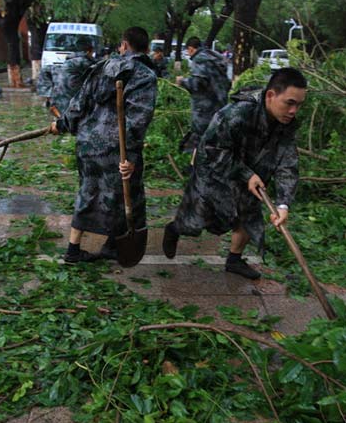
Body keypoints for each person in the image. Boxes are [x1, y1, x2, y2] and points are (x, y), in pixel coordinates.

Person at [162, 68, 308, 280]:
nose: (294, 110)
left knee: (249, 215)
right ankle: (175, 229)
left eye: (299, 105)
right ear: (270, 95)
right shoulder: (236, 113)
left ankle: (234, 260)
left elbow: (288, 164)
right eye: (290, 103)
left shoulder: (286, 124)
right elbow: (212, 150)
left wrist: (283, 204)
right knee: (197, 220)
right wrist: (246, 173)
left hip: (252, 175)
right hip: (215, 171)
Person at [50, 26, 157, 264]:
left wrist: (63, 123)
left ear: (125, 45)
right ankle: (115, 242)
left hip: (88, 144)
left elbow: (79, 102)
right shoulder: (145, 76)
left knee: (88, 192)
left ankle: (75, 249)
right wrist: (130, 157)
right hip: (115, 149)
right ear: (146, 48)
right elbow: (137, 121)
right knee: (130, 195)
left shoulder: (102, 67)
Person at [175, 36, 231, 152]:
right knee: (215, 134)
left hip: (204, 107)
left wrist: (183, 81)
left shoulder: (199, 59)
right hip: (220, 104)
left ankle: (199, 162)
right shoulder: (214, 57)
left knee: (202, 137)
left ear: (190, 49)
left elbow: (198, 83)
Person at [49, 37, 95, 115]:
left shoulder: (69, 60)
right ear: (89, 50)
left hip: (57, 102)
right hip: (71, 105)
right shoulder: (84, 61)